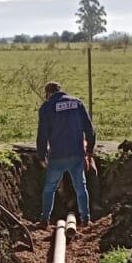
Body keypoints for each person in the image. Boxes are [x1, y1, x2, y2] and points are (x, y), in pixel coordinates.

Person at [36, 82, 96, 231]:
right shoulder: (77, 103)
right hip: (76, 154)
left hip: (57, 156)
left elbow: (42, 134)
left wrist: (41, 155)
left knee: (49, 188)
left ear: (48, 94)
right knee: (81, 187)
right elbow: (89, 129)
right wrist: (89, 150)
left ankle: (45, 219)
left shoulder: (46, 107)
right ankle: (86, 219)